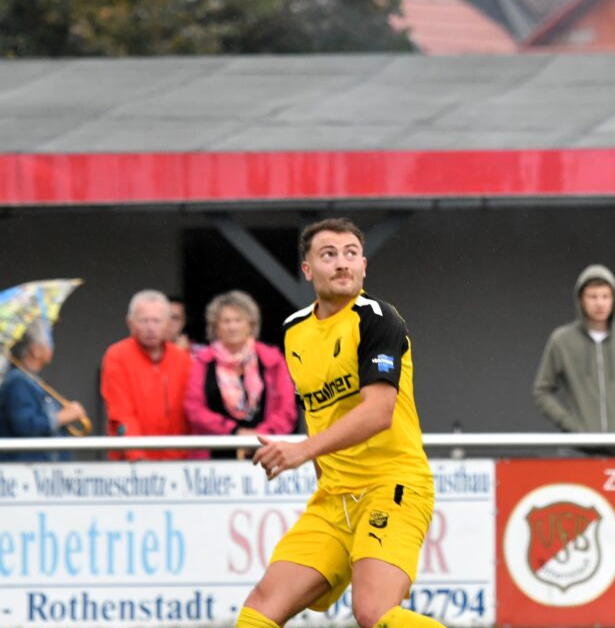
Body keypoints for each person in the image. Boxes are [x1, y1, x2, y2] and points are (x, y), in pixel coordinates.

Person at [236, 218, 441, 628]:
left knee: (374, 613)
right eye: (329, 255)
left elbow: (379, 412)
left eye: (350, 254)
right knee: (257, 612)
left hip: (392, 486)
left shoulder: (378, 318)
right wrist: (316, 466)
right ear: (308, 270)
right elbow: (318, 414)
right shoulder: (295, 331)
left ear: (364, 266)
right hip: (333, 499)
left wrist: (300, 450)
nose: (342, 263)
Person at [531, 264, 615, 453]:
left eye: (605, 296)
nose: (599, 303)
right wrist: (569, 425)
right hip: (577, 453)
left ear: (614, 299)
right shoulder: (562, 340)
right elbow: (541, 391)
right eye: (593, 296)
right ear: (581, 300)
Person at [185, 290, 297, 460]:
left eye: (238, 320)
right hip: (214, 460)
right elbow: (194, 409)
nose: (232, 326)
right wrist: (235, 432)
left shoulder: (272, 360)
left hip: (268, 452)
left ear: (250, 326)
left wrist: (258, 437)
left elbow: (287, 409)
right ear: (215, 327)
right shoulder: (203, 361)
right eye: (226, 321)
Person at [100, 290, 193, 461]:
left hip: (176, 462)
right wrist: (137, 456)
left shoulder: (183, 359)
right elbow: (121, 412)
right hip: (130, 462)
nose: (151, 328)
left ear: (167, 323)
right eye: (144, 321)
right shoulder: (117, 356)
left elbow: (189, 411)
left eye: (157, 321)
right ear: (131, 323)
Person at [0, 326, 89, 461]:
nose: (52, 347)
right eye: (49, 342)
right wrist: (61, 417)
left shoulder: (31, 380)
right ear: (35, 350)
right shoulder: (17, 381)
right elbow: (26, 425)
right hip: (27, 470)